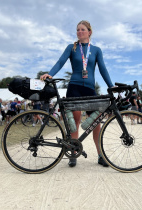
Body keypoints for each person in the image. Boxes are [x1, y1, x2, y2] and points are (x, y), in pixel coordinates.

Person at [40, 20, 114, 167]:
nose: (79, 32)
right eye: (78, 30)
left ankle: (100, 155)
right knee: (75, 120)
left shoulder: (96, 50)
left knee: (95, 123)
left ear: (89, 32)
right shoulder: (72, 47)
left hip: (90, 89)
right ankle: (73, 153)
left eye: (82, 29)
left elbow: (103, 69)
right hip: (74, 87)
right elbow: (60, 62)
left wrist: (111, 86)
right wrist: (50, 74)